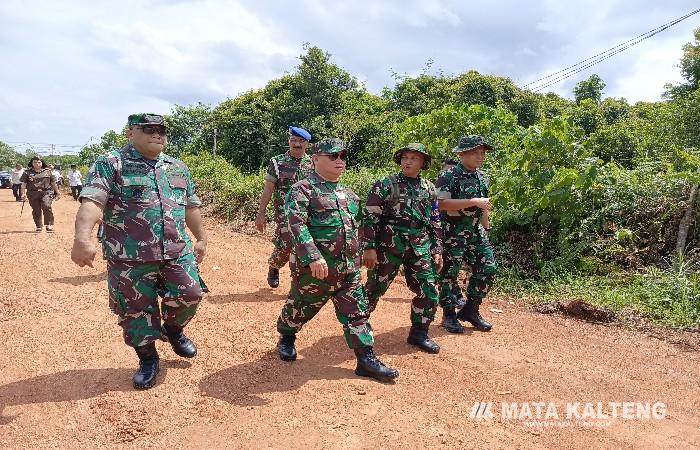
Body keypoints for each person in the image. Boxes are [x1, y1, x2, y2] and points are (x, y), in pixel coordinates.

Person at [71, 113, 208, 390]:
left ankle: (173, 329)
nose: (157, 134)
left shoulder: (177, 167)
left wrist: (201, 238)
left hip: (176, 251)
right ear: (131, 132)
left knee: (190, 294)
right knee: (135, 311)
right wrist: (82, 238)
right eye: (149, 129)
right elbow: (92, 201)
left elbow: (190, 207)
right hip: (129, 257)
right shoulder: (111, 163)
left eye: (162, 130)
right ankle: (148, 359)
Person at [276, 138, 399, 382]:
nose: (339, 161)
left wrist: (366, 249)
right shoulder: (302, 190)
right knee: (300, 308)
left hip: (348, 270)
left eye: (342, 156)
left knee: (358, 313)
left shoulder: (349, 195)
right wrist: (313, 257)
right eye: (333, 156)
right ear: (316, 160)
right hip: (315, 270)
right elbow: (296, 225)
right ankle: (287, 335)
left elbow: (360, 228)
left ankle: (366, 359)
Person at [362, 143, 443, 354]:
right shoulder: (386, 184)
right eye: (405, 157)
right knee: (373, 289)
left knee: (429, 290)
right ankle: (358, 329)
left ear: (423, 163)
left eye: (414, 158)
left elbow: (434, 220)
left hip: (419, 245)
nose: (408, 161)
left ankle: (419, 332)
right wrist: (369, 248)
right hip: (388, 246)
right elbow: (370, 216)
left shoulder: (430, 189)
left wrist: (437, 248)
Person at [435, 135, 497, 334]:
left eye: (482, 153)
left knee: (488, 268)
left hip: (475, 230)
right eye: (475, 152)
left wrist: (486, 227)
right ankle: (449, 314)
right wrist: (473, 201)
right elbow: (441, 204)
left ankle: (471, 309)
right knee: (449, 274)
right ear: (462, 154)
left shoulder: (483, 177)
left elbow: (484, 205)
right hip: (452, 232)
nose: (480, 156)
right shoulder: (449, 176)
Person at [256, 126, 314, 288]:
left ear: (307, 144)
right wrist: (261, 214)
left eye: (301, 141)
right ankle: (274, 266)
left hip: (308, 212)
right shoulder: (277, 162)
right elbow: (268, 189)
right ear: (288, 141)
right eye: (293, 140)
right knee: (286, 245)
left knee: (307, 245)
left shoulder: (314, 164)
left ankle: (300, 282)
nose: (297, 144)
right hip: (285, 212)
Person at [20, 157, 60, 232]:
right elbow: (23, 184)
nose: (37, 164)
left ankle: (49, 224)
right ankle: (38, 226)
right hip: (32, 193)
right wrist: (23, 193)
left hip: (46, 192)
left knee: (46, 205)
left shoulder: (48, 171)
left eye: (39, 162)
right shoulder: (26, 172)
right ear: (32, 163)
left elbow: (53, 183)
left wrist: (57, 192)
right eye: (35, 162)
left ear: (42, 163)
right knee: (36, 209)